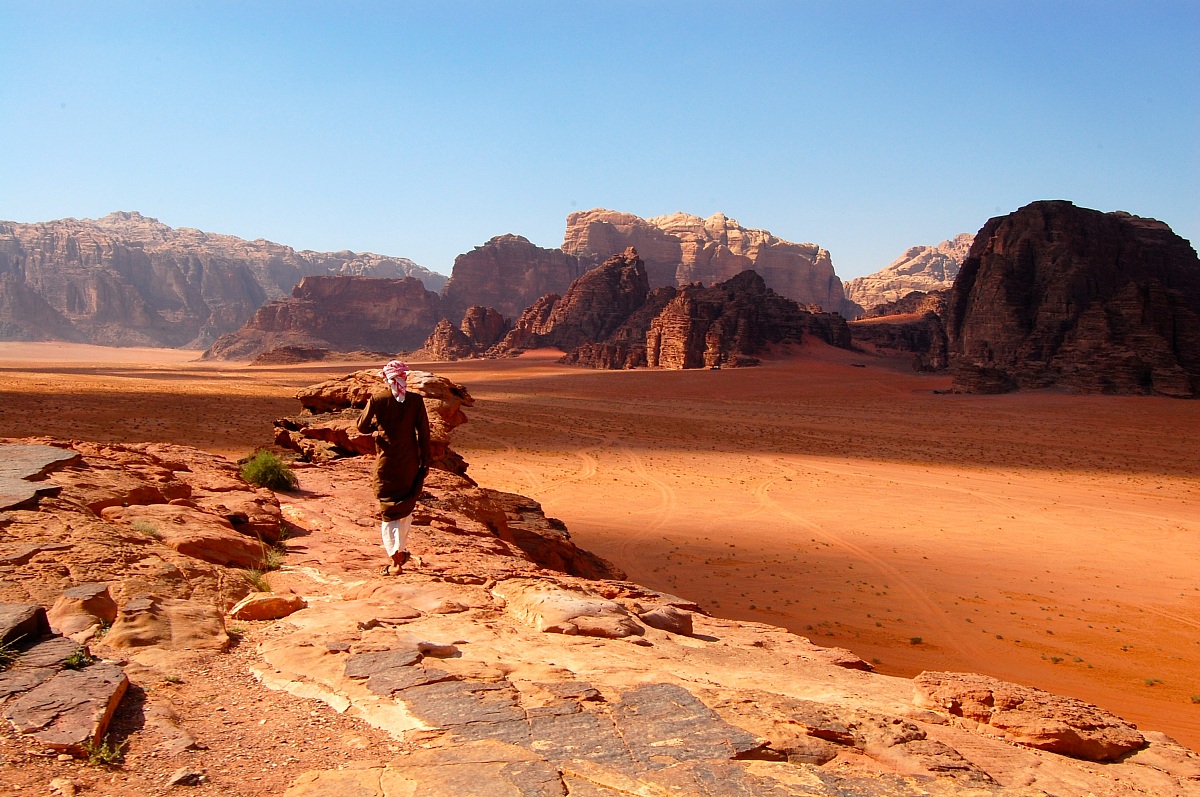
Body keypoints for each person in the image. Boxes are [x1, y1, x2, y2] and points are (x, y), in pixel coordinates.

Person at [356, 360, 431, 575]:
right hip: (409, 463)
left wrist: (378, 427)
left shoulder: (378, 399)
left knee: (388, 511)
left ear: (387, 379)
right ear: (404, 378)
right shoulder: (415, 400)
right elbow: (424, 433)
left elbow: (361, 426)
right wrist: (426, 460)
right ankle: (400, 552)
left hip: (386, 463)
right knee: (405, 510)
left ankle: (396, 560)